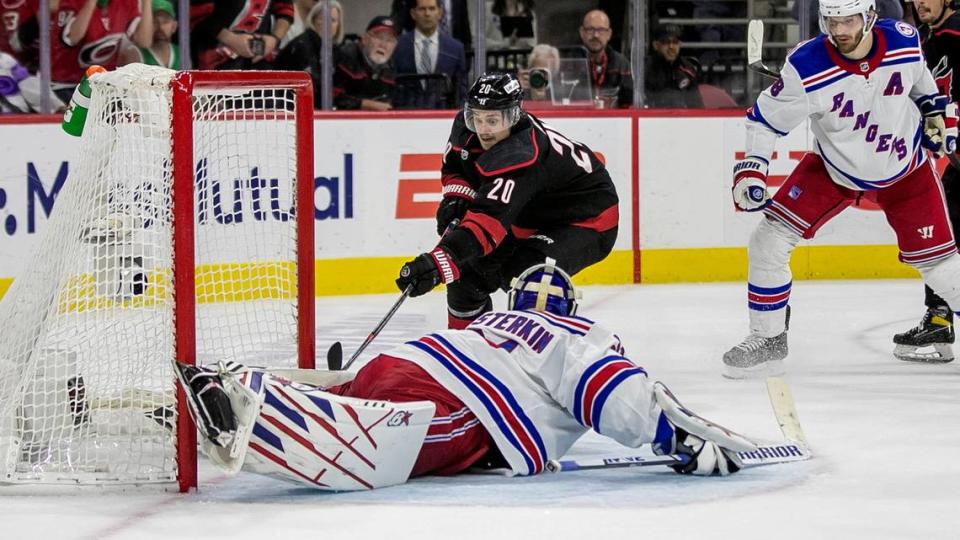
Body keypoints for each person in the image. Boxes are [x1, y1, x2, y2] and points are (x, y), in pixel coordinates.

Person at [173, 259, 754, 491]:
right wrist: (673, 436)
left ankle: (235, 388)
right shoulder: (579, 335)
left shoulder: (495, 320)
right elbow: (604, 387)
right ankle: (260, 409)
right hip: (462, 408)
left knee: (355, 393)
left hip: (404, 361)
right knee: (380, 437)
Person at [722, 0, 959, 379]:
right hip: (833, 170)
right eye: (832, 21)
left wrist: (935, 115)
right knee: (767, 241)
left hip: (906, 170)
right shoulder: (807, 64)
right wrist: (752, 169)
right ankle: (767, 339)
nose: (840, 30)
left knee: (941, 270)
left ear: (869, 17)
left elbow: (925, 90)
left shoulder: (904, 41)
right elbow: (764, 120)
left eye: (849, 20)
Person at [394, 72, 619, 330]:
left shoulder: (521, 154)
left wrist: (437, 264)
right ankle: (467, 353)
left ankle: (537, 355)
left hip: (587, 219)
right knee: (465, 272)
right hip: (531, 213)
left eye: (493, 120)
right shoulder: (465, 130)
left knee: (531, 277)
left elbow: (485, 228)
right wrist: (457, 198)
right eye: (477, 118)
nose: (484, 129)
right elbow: (455, 167)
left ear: (513, 116)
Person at [891, 0, 960, 362]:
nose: (920, 2)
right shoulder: (925, 39)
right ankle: (938, 317)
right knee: (943, 244)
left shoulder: (954, 33)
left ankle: (938, 317)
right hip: (954, 163)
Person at [50, 0, 153, 102]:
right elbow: (72, 38)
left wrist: (146, 2)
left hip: (103, 86)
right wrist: (91, 3)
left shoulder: (125, 2)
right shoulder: (72, 2)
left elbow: (144, 41)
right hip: (67, 85)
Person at [393, 0, 469, 108]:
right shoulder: (398, 46)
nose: (427, 14)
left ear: (440, 13)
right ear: (413, 14)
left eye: (432, 9)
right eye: (422, 9)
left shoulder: (455, 48)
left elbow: (462, 92)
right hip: (405, 115)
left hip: (443, 117)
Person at [274, 1, 343, 109]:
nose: (327, 24)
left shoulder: (334, 51)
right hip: (287, 109)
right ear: (314, 20)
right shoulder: (302, 45)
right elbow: (310, 88)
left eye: (333, 20)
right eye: (323, 19)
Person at [189, 0, 293, 70]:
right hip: (213, 60)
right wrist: (230, 39)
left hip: (258, 61)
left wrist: (274, 39)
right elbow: (195, 13)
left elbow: (286, 10)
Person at [332, 15, 396, 111]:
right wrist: (366, 104)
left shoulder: (391, 66)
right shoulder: (346, 57)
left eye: (389, 40)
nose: (383, 45)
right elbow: (331, 98)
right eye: (379, 38)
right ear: (365, 39)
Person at [578, 9, 633, 109]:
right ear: (582, 32)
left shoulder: (621, 64)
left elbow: (629, 105)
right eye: (590, 29)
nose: (596, 35)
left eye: (601, 30)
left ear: (609, 34)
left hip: (613, 122)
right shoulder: (571, 63)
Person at [644, 24, 703, 108]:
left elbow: (697, 105)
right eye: (665, 42)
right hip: (654, 118)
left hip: (682, 118)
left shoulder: (688, 68)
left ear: (680, 45)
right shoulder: (645, 68)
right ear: (656, 45)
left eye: (675, 42)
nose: (671, 46)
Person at [118, 0, 180, 69]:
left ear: (174, 26)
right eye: (154, 21)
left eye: (165, 22)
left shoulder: (181, 53)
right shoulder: (135, 54)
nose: (160, 26)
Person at [392, 0, 471, 50]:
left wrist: (466, 55)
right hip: (418, 52)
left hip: (451, 53)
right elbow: (397, 23)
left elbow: (464, 25)